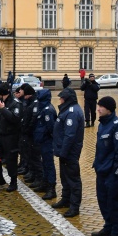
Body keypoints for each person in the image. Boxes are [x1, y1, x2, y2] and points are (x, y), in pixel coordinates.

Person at [91, 96, 118, 236]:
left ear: (109, 108)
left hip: (112, 174)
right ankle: (108, 227)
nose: (98, 109)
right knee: (103, 202)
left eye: (101, 106)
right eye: (98, 105)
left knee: (114, 205)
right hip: (101, 171)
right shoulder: (102, 124)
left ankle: (117, 234)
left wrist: (116, 173)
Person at [51, 88, 84, 217]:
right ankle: (66, 199)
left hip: (69, 152)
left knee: (73, 180)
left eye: (61, 98)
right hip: (64, 151)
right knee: (65, 177)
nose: (60, 100)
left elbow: (69, 135)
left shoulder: (72, 112)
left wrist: (63, 152)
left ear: (67, 99)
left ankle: (74, 207)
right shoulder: (67, 110)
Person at [0, 82, 23, 192]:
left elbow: (15, 119)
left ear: (3, 94)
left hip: (10, 136)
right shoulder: (1, 102)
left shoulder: (15, 103)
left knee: (11, 160)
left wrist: (3, 109)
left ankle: (13, 182)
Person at [34, 89, 57, 200]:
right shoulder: (43, 108)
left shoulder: (47, 110)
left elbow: (51, 127)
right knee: (45, 164)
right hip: (43, 141)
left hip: (47, 141)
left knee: (49, 164)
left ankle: (51, 188)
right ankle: (45, 183)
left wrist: (45, 136)